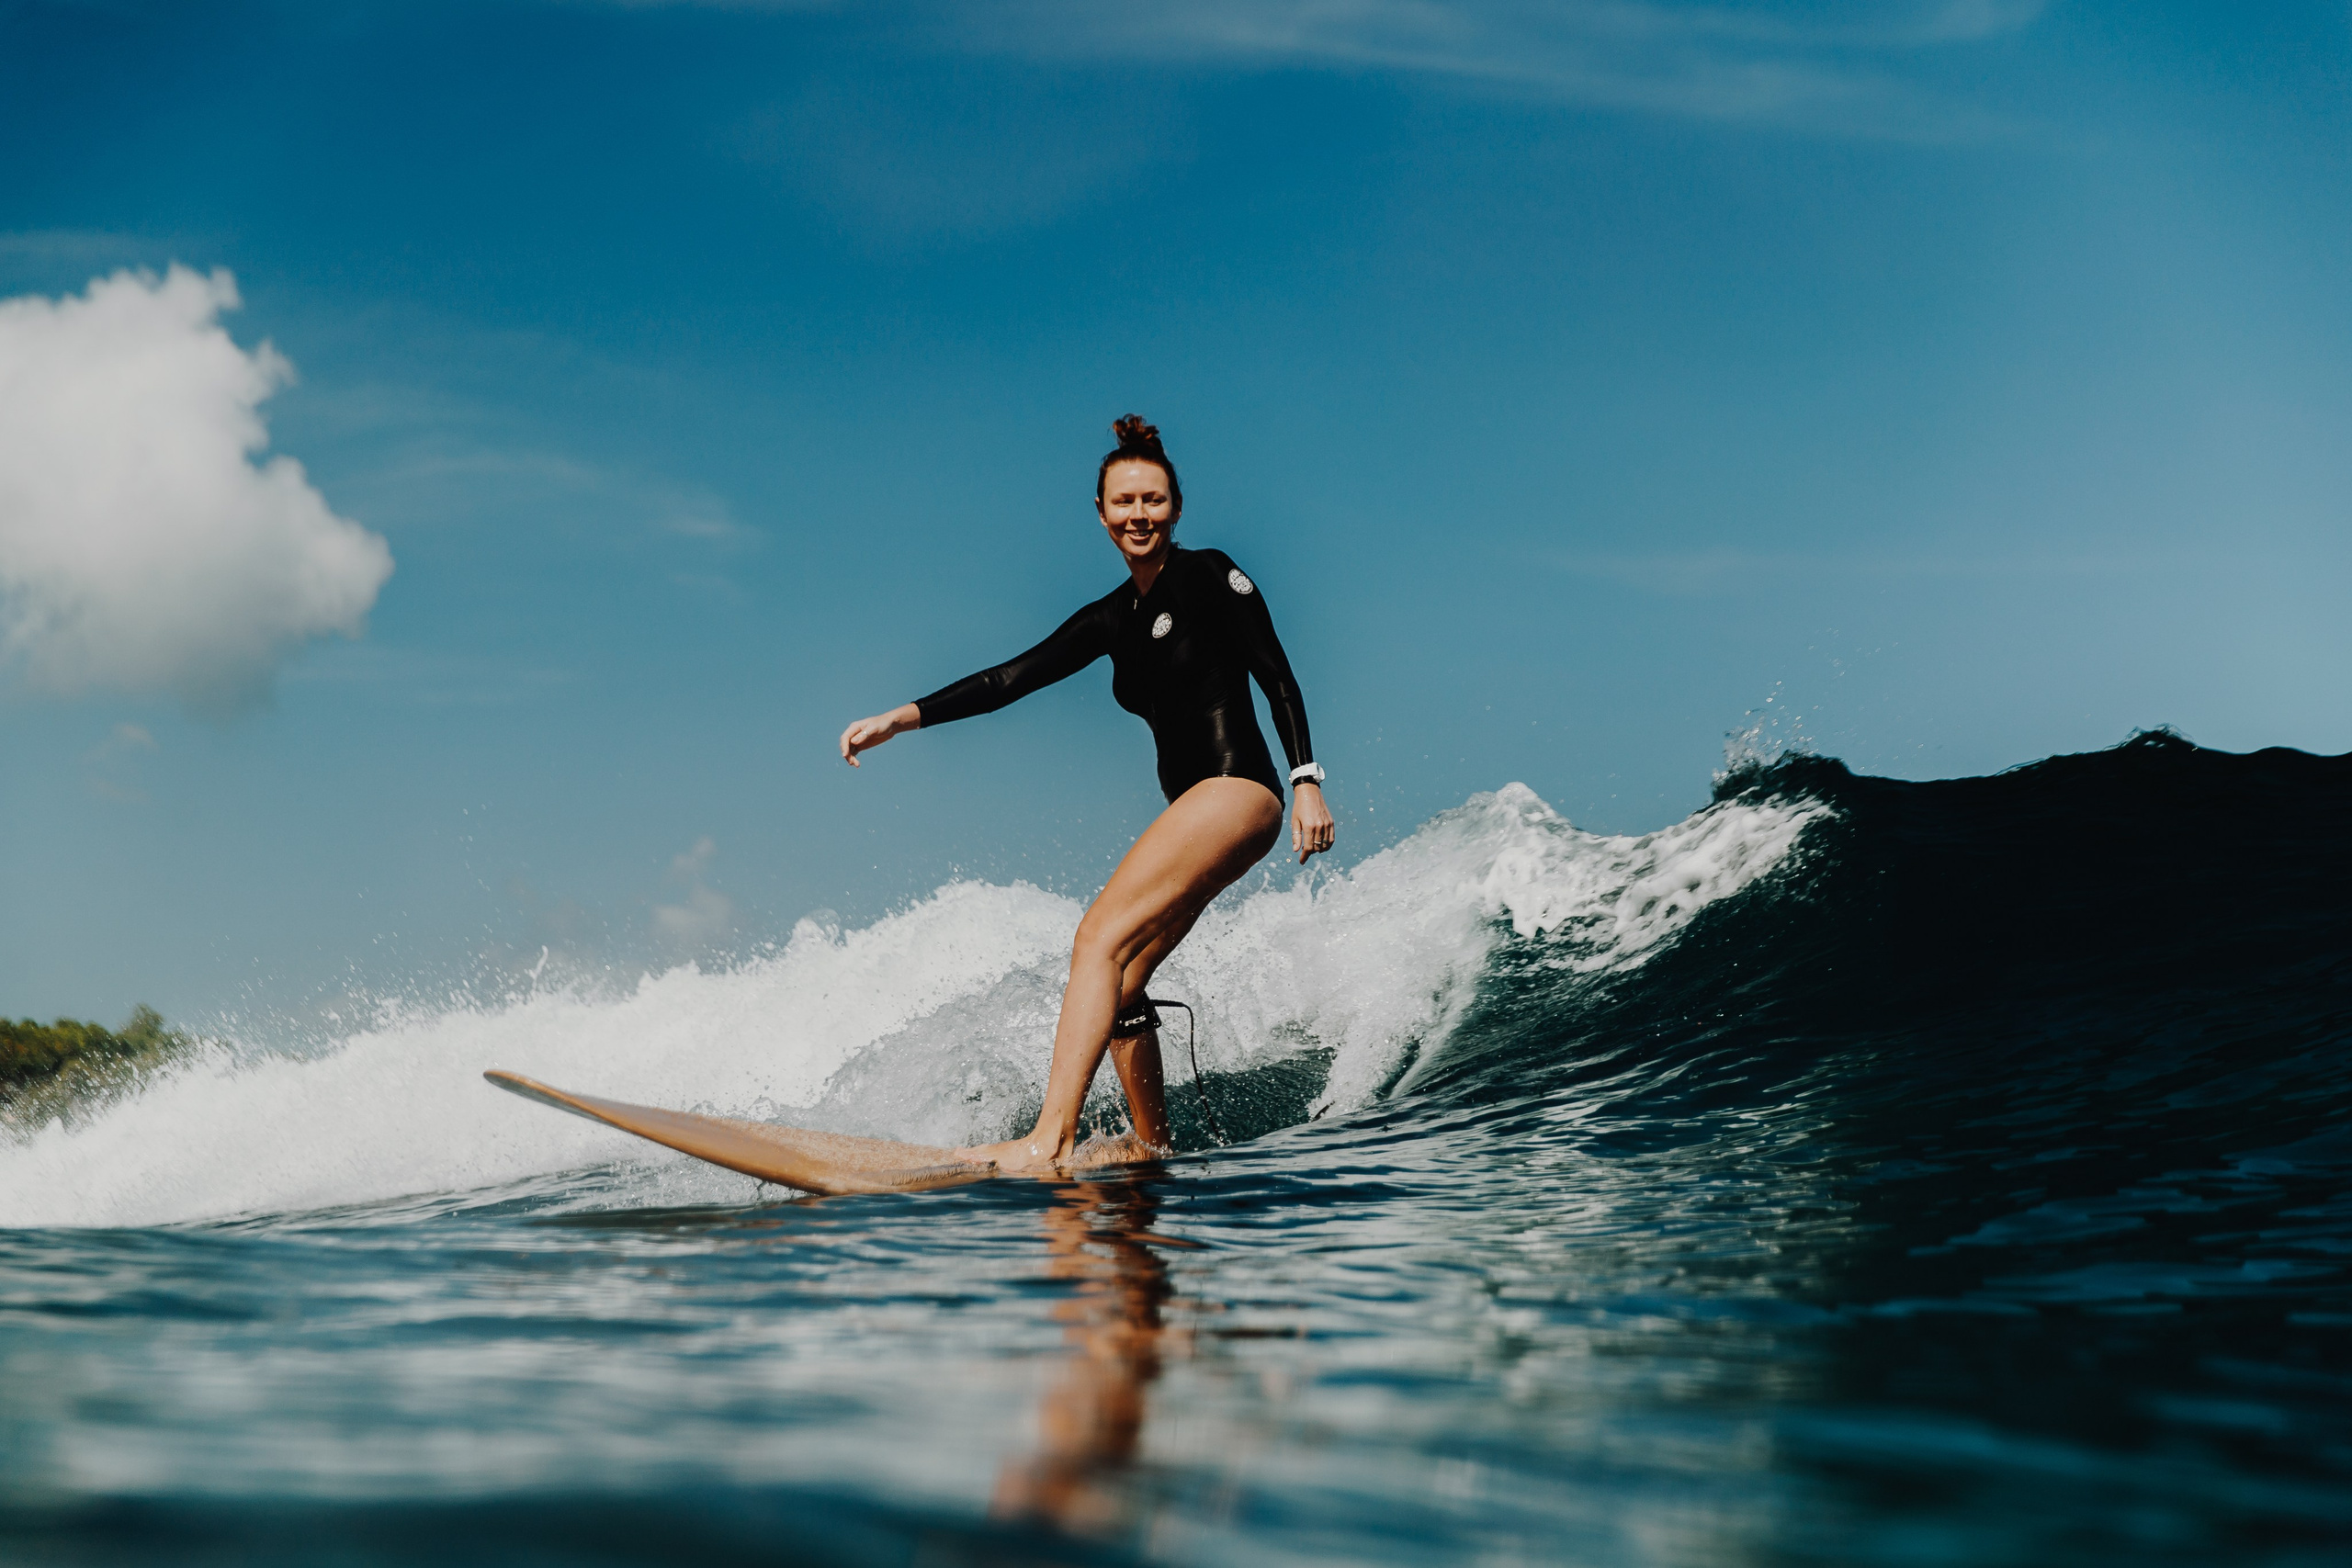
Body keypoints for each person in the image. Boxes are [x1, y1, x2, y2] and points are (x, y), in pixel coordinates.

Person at [837, 414, 1334, 1172]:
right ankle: (1151, 1142)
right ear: (1101, 515)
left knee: (1094, 937)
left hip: (1239, 790)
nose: (1140, 514)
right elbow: (1011, 678)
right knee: (1124, 980)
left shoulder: (1208, 574)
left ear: (1176, 507)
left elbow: (1278, 675)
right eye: (1125, 501)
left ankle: (1049, 1137)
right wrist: (901, 719)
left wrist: (1306, 782)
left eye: (1155, 500)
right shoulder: (1111, 618)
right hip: (1202, 811)